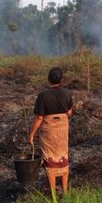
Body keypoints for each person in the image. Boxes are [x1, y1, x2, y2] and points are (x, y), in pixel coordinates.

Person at [28, 67, 73, 195]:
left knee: (50, 158)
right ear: (62, 80)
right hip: (62, 130)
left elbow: (39, 117)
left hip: (49, 132)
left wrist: (31, 135)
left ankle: (53, 193)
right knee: (63, 156)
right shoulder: (66, 93)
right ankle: (65, 191)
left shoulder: (43, 96)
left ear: (48, 79)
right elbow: (69, 112)